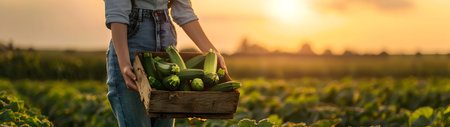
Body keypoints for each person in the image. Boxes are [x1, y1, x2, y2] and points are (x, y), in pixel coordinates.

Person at [104, 0, 229, 126]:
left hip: (167, 48)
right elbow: (117, 11)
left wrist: (212, 52)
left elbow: (184, 11)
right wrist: (124, 63)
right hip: (130, 47)